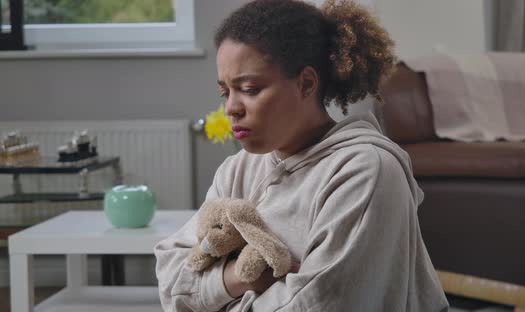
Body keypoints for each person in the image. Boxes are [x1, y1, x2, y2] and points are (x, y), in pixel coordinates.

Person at [154, 0, 449, 311]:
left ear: (306, 83)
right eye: (225, 92)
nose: (231, 108)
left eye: (250, 89)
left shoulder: (365, 172)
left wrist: (212, 299)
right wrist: (240, 279)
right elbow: (171, 279)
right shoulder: (238, 170)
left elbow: (320, 304)